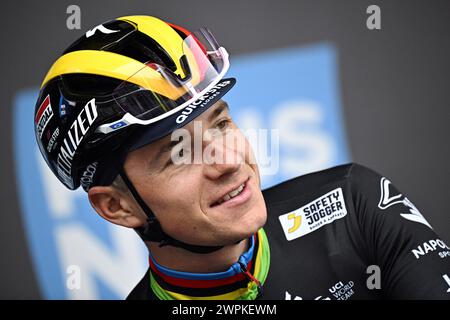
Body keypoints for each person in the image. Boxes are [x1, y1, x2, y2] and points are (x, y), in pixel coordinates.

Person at [34, 15, 450, 300]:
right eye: (179, 153)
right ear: (116, 206)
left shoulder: (354, 203)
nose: (229, 161)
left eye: (219, 124)